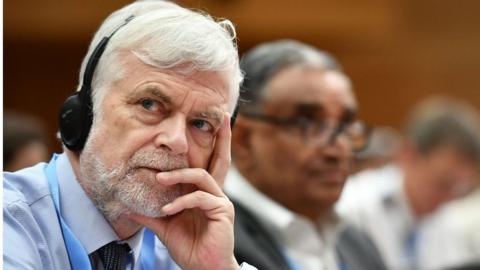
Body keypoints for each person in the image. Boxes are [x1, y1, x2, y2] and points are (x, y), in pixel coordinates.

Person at [4, 1, 257, 269]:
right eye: (149, 104)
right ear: (84, 112)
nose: (177, 141)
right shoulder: (10, 223)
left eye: (201, 124)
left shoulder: (184, 248)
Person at [225, 40, 386, 270]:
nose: (338, 149)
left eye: (345, 125)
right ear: (243, 139)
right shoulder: (210, 244)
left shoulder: (356, 243)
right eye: (308, 123)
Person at [337, 97, 480, 270]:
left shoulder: (447, 219)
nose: (449, 197)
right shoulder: (351, 206)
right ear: (408, 154)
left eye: (460, 188)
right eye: (443, 183)